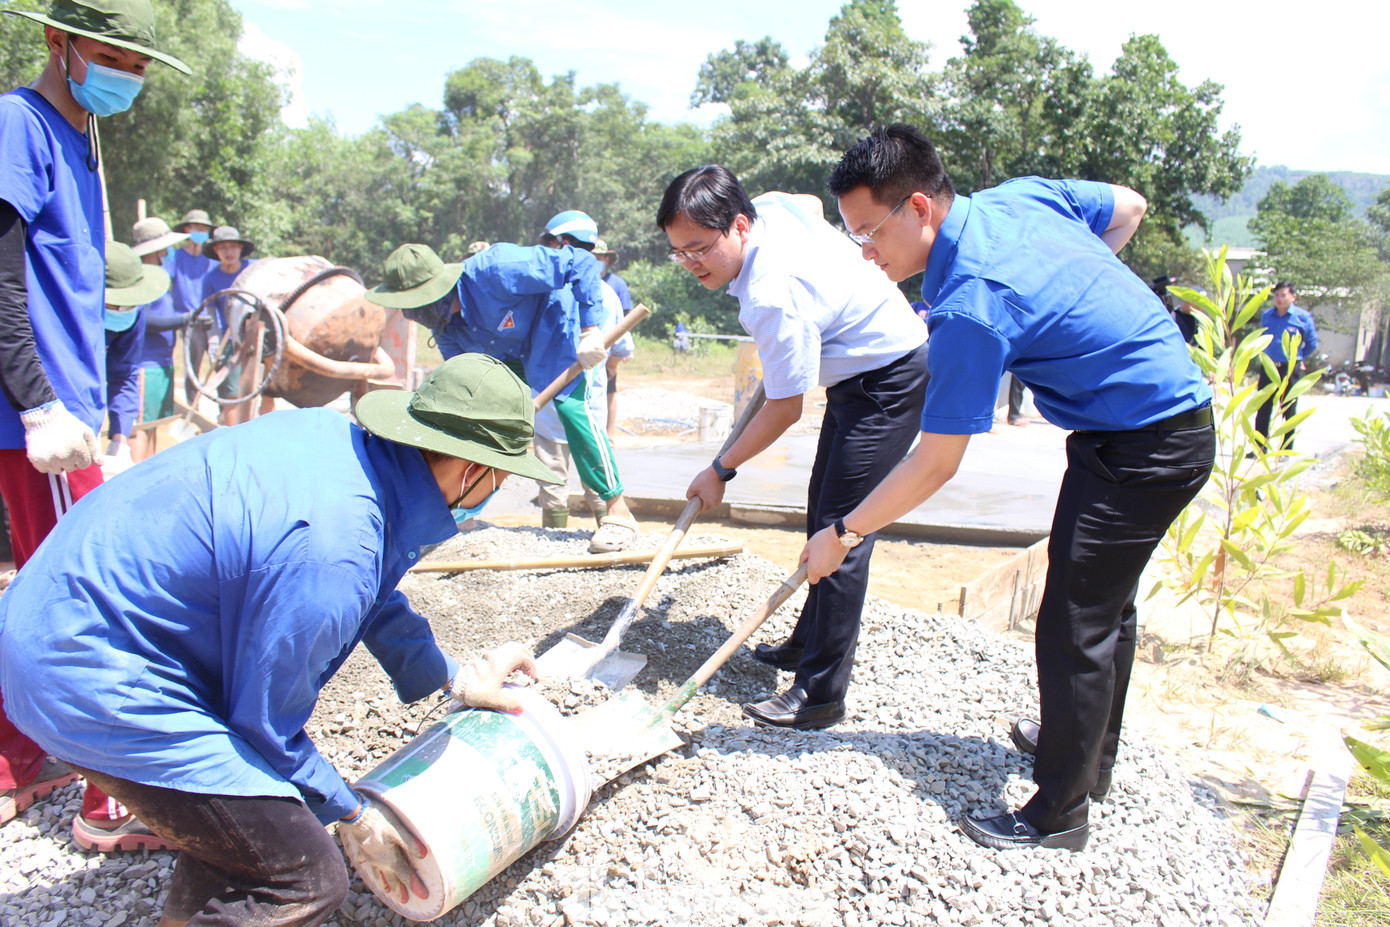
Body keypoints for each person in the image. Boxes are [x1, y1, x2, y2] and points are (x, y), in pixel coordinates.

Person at [0, 353, 558, 925]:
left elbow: (374, 587)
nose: (500, 487)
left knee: (247, 815)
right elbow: (265, 726)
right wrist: (353, 814)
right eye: (502, 475)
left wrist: (451, 677)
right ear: (469, 469)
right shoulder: (333, 550)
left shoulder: (339, 449)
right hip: (85, 670)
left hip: (53, 610)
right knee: (302, 878)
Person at [814, 124, 1214, 851]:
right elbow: (1129, 204)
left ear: (919, 208)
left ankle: (1059, 812)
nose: (866, 252)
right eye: (854, 236)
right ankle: (1090, 756)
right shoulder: (1018, 198)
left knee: (1073, 621)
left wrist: (843, 533)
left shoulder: (972, 306)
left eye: (870, 233)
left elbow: (934, 465)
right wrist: (1071, 300)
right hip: (1158, 424)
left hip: (1144, 445)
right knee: (1104, 603)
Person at [0, 0, 188, 843]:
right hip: (38, 420)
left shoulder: (85, 140)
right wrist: (37, 402)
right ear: (58, 42)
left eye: (140, 66)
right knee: (86, 601)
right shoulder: (20, 124)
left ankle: (16, 757)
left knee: (44, 590)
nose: (129, 78)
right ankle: (109, 799)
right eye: (114, 59)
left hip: (68, 412)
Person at [657, 165, 929, 732]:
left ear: (739, 224)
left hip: (890, 376)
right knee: (821, 510)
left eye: (701, 248)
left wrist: (720, 469)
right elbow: (805, 200)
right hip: (856, 376)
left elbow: (785, 409)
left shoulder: (771, 295)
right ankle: (807, 641)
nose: (692, 263)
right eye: (679, 253)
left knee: (843, 533)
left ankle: (820, 692)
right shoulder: (774, 210)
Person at [367, 240, 641, 553]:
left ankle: (618, 512)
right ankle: (459, 511)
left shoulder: (496, 269)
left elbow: (581, 262)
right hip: (511, 352)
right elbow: (466, 386)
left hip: (555, 328)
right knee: (476, 417)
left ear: (436, 290)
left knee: (572, 410)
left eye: (414, 304)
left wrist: (589, 329)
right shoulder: (447, 330)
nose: (410, 314)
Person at [533, 215, 635, 529]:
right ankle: (609, 528)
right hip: (588, 408)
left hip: (548, 407)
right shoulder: (607, 294)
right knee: (597, 477)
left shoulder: (542, 291)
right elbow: (622, 350)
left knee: (552, 480)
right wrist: (608, 369)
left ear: (561, 244)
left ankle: (553, 535)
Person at [129, 216, 191, 461]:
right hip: (146, 364)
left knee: (153, 424)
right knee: (139, 427)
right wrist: (182, 320)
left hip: (162, 362)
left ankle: (147, 470)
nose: (168, 251)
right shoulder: (138, 278)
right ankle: (134, 473)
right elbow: (143, 320)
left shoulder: (159, 276)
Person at [100, 242, 164, 476]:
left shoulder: (134, 314)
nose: (123, 310)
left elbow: (124, 374)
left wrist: (120, 437)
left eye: (129, 304)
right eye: (116, 304)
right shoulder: (70, 316)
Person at [199, 224, 256, 426]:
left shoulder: (254, 270)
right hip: (231, 341)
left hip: (259, 340)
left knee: (264, 392)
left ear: (240, 248)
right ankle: (233, 435)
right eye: (223, 248)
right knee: (231, 394)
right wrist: (213, 342)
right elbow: (211, 314)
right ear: (216, 250)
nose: (228, 252)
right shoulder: (211, 279)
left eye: (233, 246)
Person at [1254, 281, 1318, 451]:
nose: (1279, 299)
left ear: (1293, 297)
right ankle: (1259, 447)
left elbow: (1311, 343)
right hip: (1269, 366)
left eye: (1283, 295)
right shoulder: (1267, 315)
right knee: (1263, 406)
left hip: (1289, 368)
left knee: (1288, 408)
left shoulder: (1302, 317)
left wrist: (1298, 357)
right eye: (1276, 295)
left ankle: (1286, 449)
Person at [170, 208, 216, 404]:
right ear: (187, 229)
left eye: (204, 228)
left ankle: (223, 410)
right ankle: (192, 405)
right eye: (196, 227)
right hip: (189, 319)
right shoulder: (175, 257)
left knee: (219, 362)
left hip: (212, 318)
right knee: (192, 364)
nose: (200, 232)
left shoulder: (212, 260)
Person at [592, 238, 634, 438]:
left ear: (607, 259)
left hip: (609, 350)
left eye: (600, 257)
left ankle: (608, 434)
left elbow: (625, 320)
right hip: (592, 351)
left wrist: (616, 357)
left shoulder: (615, 286)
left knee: (608, 391)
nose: (596, 261)